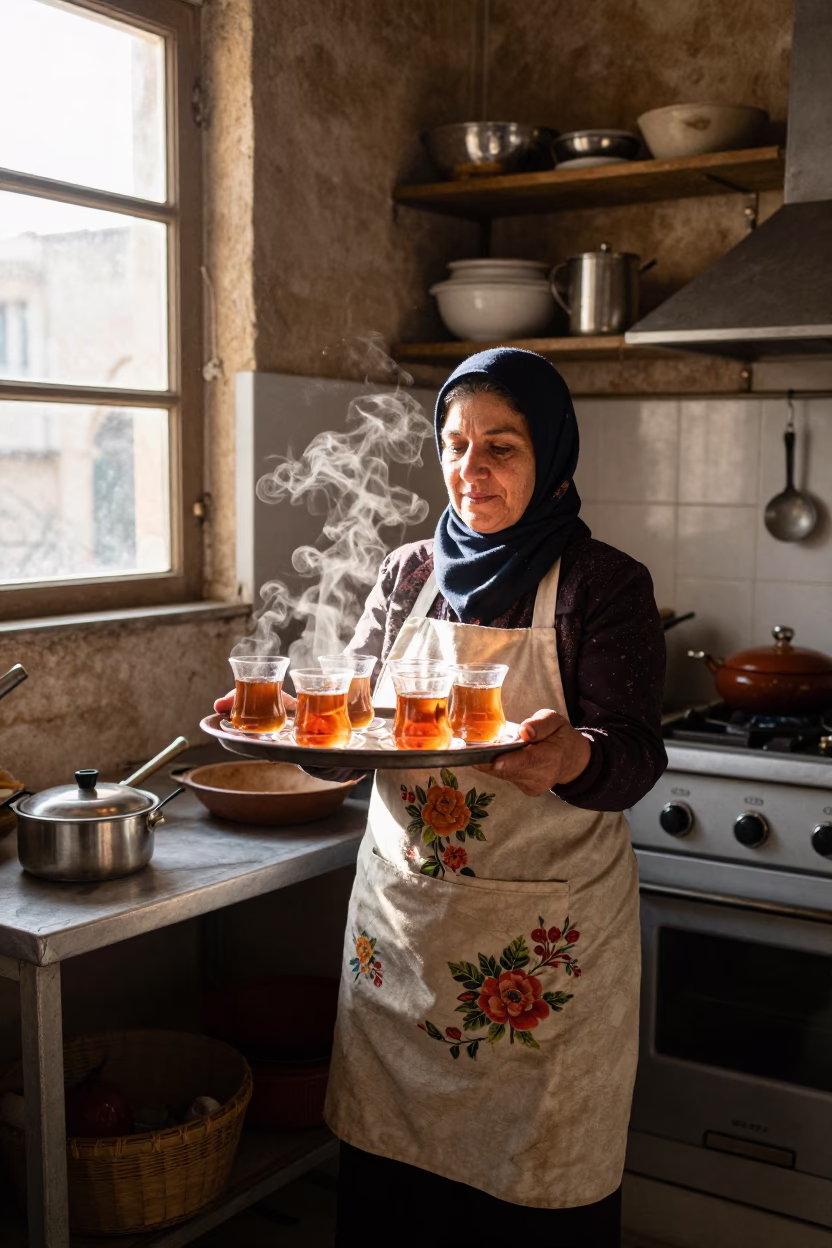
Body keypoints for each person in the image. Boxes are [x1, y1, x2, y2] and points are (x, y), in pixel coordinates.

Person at [217, 348, 667, 1246]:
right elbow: (351, 740)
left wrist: (571, 759)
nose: (472, 469)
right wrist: (289, 728)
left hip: (544, 953)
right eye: (457, 445)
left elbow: (636, 757)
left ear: (553, 459)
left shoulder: (601, 584)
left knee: (532, 1198)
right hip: (406, 940)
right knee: (394, 1200)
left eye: (502, 445)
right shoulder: (407, 575)